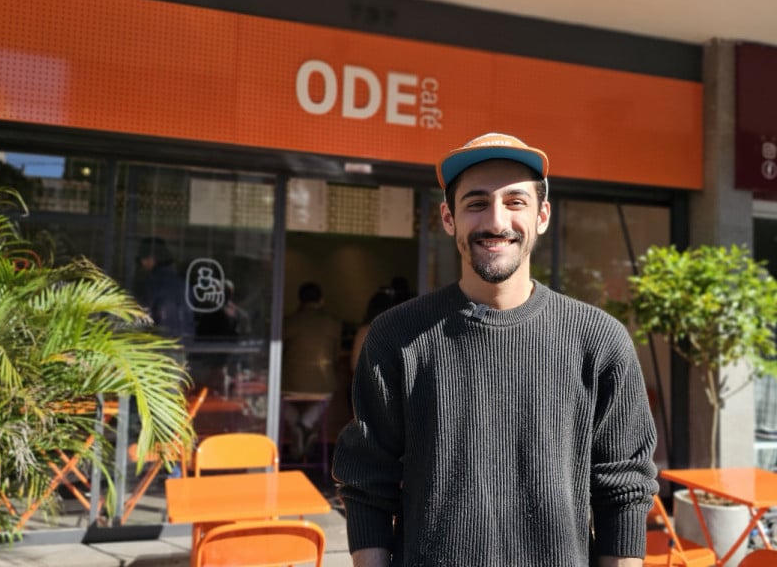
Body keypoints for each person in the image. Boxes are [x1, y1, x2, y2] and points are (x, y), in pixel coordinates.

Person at [332, 132, 658, 566]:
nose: (496, 221)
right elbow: (368, 480)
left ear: (542, 215)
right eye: (476, 203)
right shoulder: (398, 336)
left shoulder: (598, 340)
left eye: (515, 202)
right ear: (448, 218)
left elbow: (623, 491)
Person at [282, 281, 343, 459]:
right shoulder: (334, 324)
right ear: (321, 300)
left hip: (289, 382)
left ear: (299, 300)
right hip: (323, 383)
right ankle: (306, 425)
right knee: (327, 395)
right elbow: (335, 356)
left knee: (277, 399)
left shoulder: (288, 322)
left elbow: (282, 353)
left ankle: (297, 425)